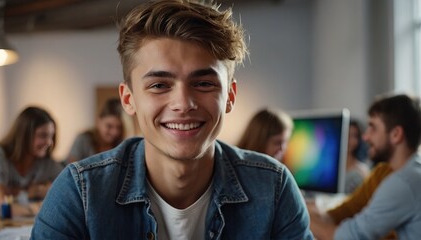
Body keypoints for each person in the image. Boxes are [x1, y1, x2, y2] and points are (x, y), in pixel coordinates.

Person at [31, 0, 313, 239]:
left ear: (229, 96)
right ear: (128, 99)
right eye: (159, 85)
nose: (183, 104)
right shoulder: (80, 193)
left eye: (203, 83)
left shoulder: (273, 187)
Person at [309, 93, 421, 240]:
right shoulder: (407, 172)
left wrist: (297, 213)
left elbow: (351, 237)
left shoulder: (403, 182)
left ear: (396, 134)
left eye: (373, 128)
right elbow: (350, 211)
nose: (365, 137)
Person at [0, 106, 63, 217]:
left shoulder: (47, 163)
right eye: (43, 135)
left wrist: (41, 189)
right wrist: (34, 207)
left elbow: (68, 188)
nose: (49, 142)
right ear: (24, 135)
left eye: (51, 136)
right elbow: (3, 204)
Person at [65, 98, 125, 163]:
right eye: (109, 126)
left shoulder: (121, 145)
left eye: (119, 127)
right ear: (99, 121)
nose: (114, 132)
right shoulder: (83, 139)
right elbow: (70, 168)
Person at [344, 119, 370, 194]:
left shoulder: (363, 171)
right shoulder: (329, 169)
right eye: (346, 134)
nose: (349, 140)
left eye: (354, 136)